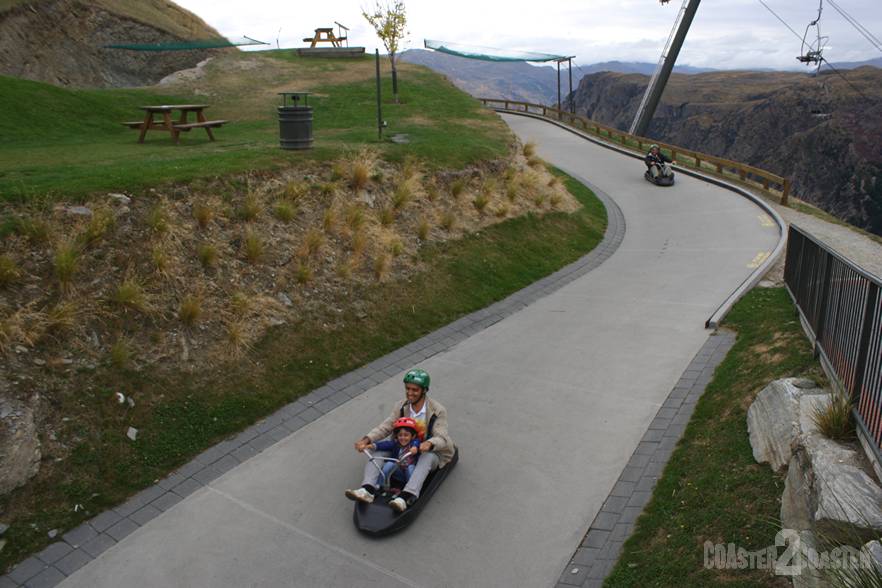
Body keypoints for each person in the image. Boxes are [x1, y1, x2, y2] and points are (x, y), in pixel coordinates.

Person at [345, 368, 455, 513]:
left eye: (414, 390)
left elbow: (442, 438)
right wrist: (366, 440)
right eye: (407, 389)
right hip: (403, 448)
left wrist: (428, 444)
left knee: (427, 458)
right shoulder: (401, 406)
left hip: (426, 452)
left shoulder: (438, 410)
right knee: (377, 449)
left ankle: (407, 495)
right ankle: (368, 489)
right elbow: (387, 426)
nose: (410, 393)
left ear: (424, 390)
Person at [349, 417, 421, 493]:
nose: (403, 438)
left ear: (412, 436)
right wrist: (369, 446)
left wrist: (414, 447)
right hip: (399, 473)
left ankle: (409, 490)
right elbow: (384, 445)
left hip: (411, 474)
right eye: (400, 435)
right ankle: (379, 486)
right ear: (397, 436)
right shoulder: (396, 444)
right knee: (389, 464)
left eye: (406, 435)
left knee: (410, 467)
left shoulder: (414, 443)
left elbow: (417, 442)